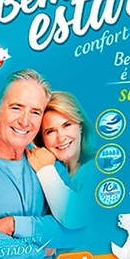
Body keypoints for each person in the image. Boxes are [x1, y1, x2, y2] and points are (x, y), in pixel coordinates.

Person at [0, 69, 78, 259]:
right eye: (16, 108)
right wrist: (41, 250)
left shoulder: (48, 165)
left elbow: (76, 231)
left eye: (35, 112)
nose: (24, 121)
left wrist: (12, 225)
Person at [26, 91, 96, 230]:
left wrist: (45, 170)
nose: (61, 137)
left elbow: (76, 216)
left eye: (67, 125)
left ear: (80, 126)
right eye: (50, 131)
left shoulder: (97, 168)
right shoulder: (43, 171)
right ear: (42, 140)